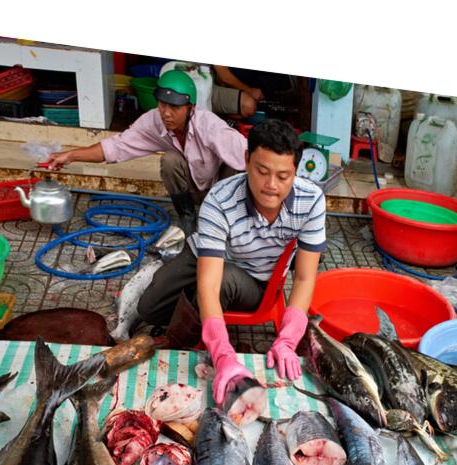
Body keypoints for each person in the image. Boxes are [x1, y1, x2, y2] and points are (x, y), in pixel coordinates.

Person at [137, 119, 326, 402]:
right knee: (149, 308)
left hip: (252, 278)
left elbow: (304, 277)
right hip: (205, 254)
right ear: (247, 159)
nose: (271, 186)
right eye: (262, 171)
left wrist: (288, 339)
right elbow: (207, 282)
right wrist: (226, 356)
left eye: (283, 176)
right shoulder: (220, 199)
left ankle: (191, 333)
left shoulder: (312, 200)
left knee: (219, 284)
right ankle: (190, 310)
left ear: (295, 171)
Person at [45, 70, 247, 236]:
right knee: (170, 160)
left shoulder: (210, 125)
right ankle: (188, 217)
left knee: (237, 167)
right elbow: (115, 147)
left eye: (175, 107)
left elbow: (250, 157)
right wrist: (70, 155)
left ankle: (228, 219)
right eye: (162, 104)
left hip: (219, 189)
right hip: (194, 189)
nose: (166, 113)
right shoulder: (153, 121)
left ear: (191, 108)